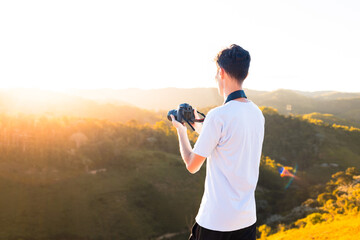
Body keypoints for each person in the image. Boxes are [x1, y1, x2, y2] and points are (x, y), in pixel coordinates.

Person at [170, 44, 265, 240]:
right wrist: (199, 125)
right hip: (246, 220)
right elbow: (228, 142)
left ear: (221, 72)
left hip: (215, 222)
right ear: (244, 74)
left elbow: (192, 165)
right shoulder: (257, 114)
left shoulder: (218, 116)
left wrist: (181, 130)